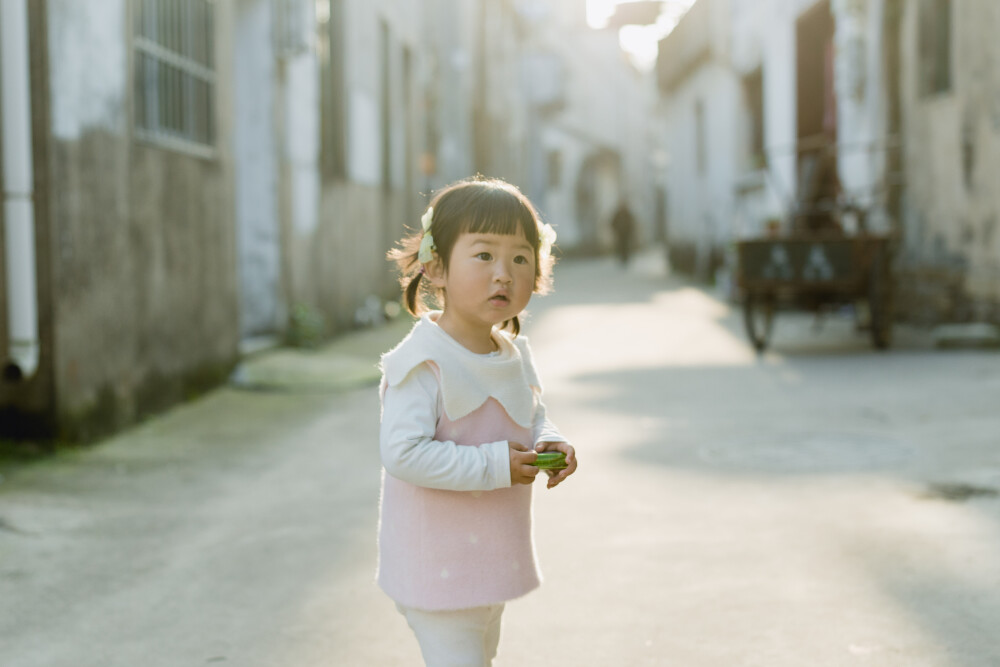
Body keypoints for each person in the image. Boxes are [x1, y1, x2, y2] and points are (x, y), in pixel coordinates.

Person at [379, 176, 577, 666]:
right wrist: (494, 466)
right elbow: (403, 453)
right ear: (437, 267)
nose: (504, 273)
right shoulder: (422, 362)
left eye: (520, 257)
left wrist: (551, 440)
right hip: (437, 568)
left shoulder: (512, 352)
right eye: (484, 255)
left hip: (488, 562)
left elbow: (531, 416)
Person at [610, 199, 635, 266]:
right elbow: (612, 222)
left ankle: (626, 259)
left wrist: (630, 230)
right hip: (619, 234)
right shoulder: (617, 214)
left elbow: (632, 223)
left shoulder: (627, 214)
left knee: (626, 246)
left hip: (626, 234)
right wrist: (615, 230)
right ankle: (621, 259)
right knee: (620, 246)